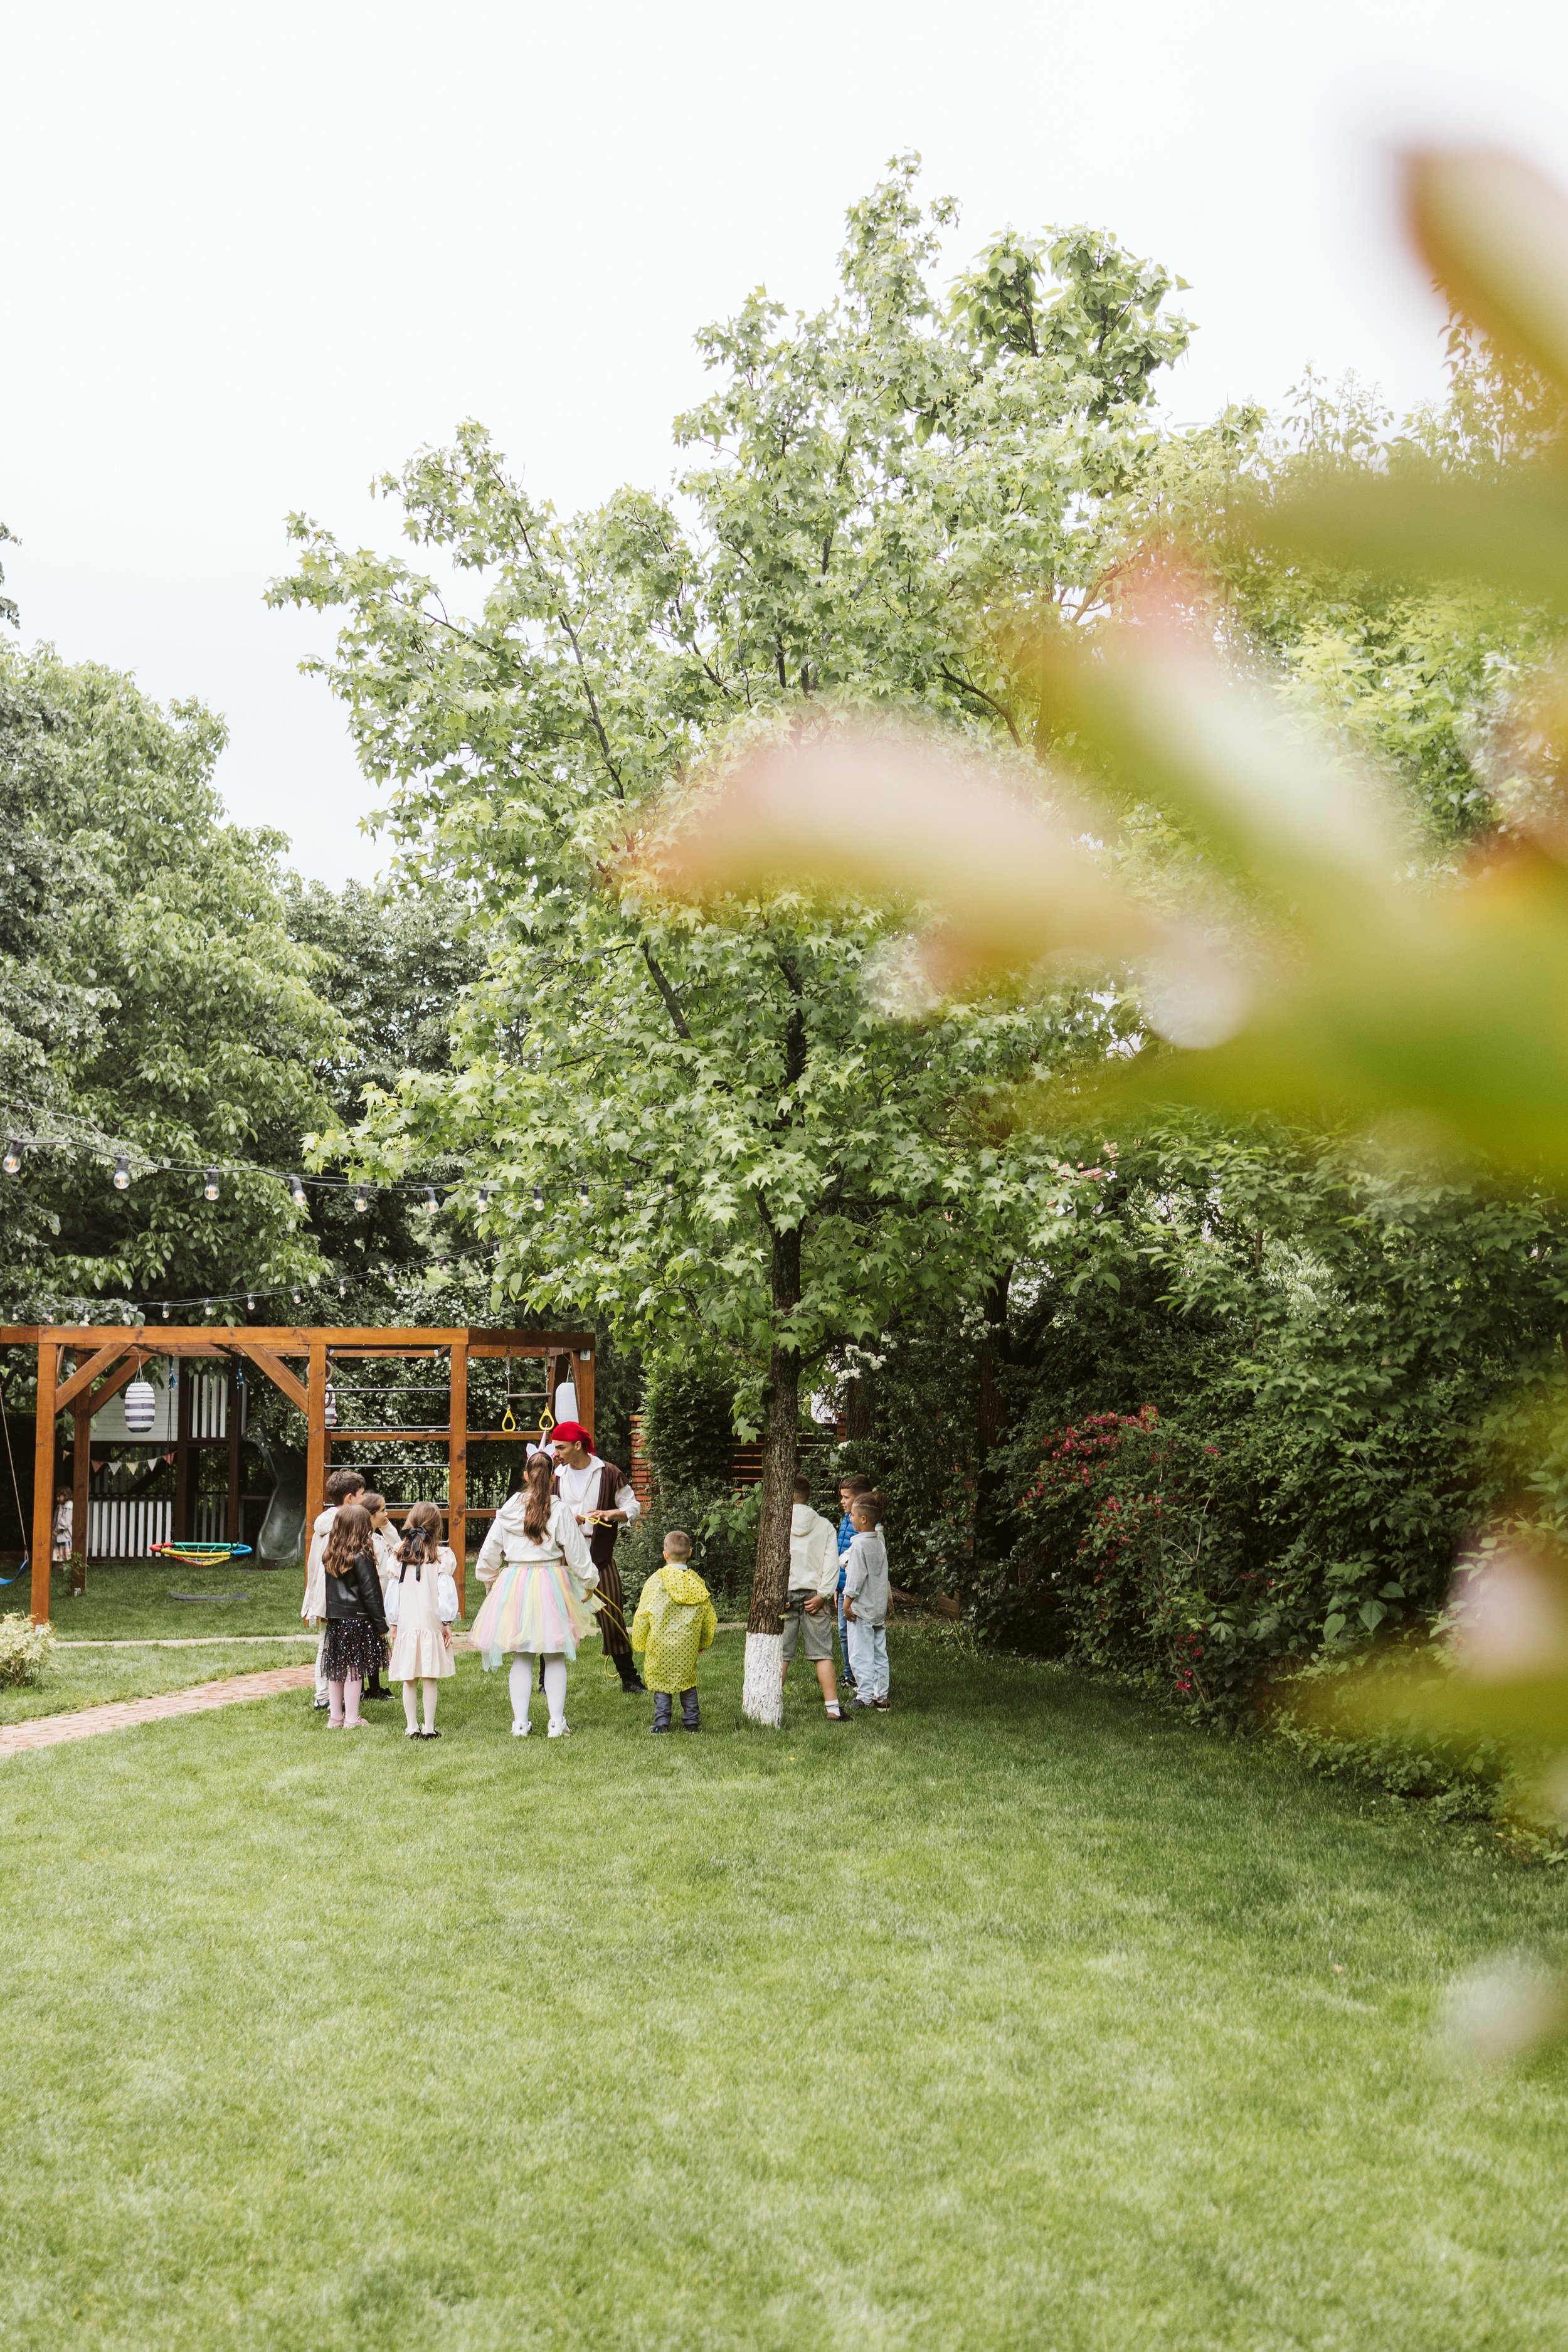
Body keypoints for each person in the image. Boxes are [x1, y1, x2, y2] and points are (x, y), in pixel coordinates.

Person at [470, 1450, 600, 1738]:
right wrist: (590, 1581)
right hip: (552, 1581)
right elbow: (578, 1555)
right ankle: (555, 1722)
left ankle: (520, 1723)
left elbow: (489, 1553)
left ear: (526, 1476)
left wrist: (488, 1579)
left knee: (523, 1656)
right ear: (553, 1477)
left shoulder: (509, 1510)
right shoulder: (560, 1509)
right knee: (554, 1656)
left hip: (516, 1581)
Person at [548, 1421, 644, 1693]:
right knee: (554, 1618)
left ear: (578, 1446)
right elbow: (547, 1512)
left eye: (561, 1447)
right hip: (564, 1558)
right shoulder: (557, 1477)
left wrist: (611, 1514)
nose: (556, 1453)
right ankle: (546, 1681)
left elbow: (633, 1507)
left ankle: (630, 1678)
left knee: (612, 1614)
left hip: (599, 1556)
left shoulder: (610, 1472)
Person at [631, 1530, 718, 1732]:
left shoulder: (655, 1581)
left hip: (660, 1644)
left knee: (662, 1682)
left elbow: (643, 1613)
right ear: (690, 1553)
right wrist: (703, 1642)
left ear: (665, 1555)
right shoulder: (696, 1582)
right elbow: (708, 1616)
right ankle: (692, 1723)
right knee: (687, 1680)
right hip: (688, 1645)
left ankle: (662, 1724)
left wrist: (640, 1641)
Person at [386, 1500, 457, 1740]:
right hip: (430, 1622)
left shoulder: (399, 1555)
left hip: (407, 1623)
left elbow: (393, 1593)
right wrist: (446, 1622)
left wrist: (394, 1624)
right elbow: (445, 1592)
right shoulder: (441, 1556)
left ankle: (411, 1726)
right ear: (437, 1527)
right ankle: (429, 1727)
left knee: (409, 1678)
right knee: (429, 1676)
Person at [319, 1501, 390, 1730]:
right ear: (361, 1527)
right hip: (358, 1619)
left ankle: (335, 1718)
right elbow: (372, 1593)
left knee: (336, 1668)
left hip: (337, 1620)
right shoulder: (362, 1554)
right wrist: (382, 1625)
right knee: (354, 1669)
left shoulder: (331, 1553)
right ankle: (352, 1719)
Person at [782, 1475, 848, 1722]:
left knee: (782, 1654)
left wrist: (778, 1593)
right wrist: (823, 1595)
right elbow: (832, 1566)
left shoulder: (779, 1523)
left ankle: (771, 1705)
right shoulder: (824, 1526)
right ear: (807, 1496)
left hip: (785, 1595)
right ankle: (833, 1708)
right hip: (814, 1597)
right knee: (822, 1653)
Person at [303, 1468, 365, 1710]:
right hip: (335, 1596)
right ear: (349, 1498)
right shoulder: (340, 1526)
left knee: (328, 1644)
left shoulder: (324, 1523)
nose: (364, 1499)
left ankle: (329, 1696)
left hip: (325, 1594)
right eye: (361, 1495)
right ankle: (324, 1697)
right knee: (328, 1645)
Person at [842, 1491, 891, 1712]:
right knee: (879, 1652)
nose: (849, 1518)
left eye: (852, 1515)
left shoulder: (860, 1547)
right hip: (877, 1607)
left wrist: (847, 1603)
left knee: (860, 1653)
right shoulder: (878, 1543)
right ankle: (882, 1695)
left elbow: (855, 1580)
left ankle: (864, 1696)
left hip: (860, 1609)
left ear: (863, 1519)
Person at [835, 1474, 875, 1690]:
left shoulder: (866, 1526)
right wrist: (836, 1586)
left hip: (857, 1591)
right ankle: (849, 1674)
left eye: (846, 1497)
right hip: (843, 1588)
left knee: (858, 1635)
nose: (842, 1501)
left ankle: (862, 1676)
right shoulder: (846, 1519)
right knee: (844, 1632)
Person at [359, 1492, 400, 1701]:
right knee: (367, 1643)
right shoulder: (366, 1541)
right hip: (370, 1598)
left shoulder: (380, 1537)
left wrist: (386, 1527)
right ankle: (362, 1688)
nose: (387, 1513)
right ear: (370, 1515)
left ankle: (374, 1687)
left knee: (376, 1643)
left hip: (382, 1597)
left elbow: (400, 1547)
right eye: (383, 1510)